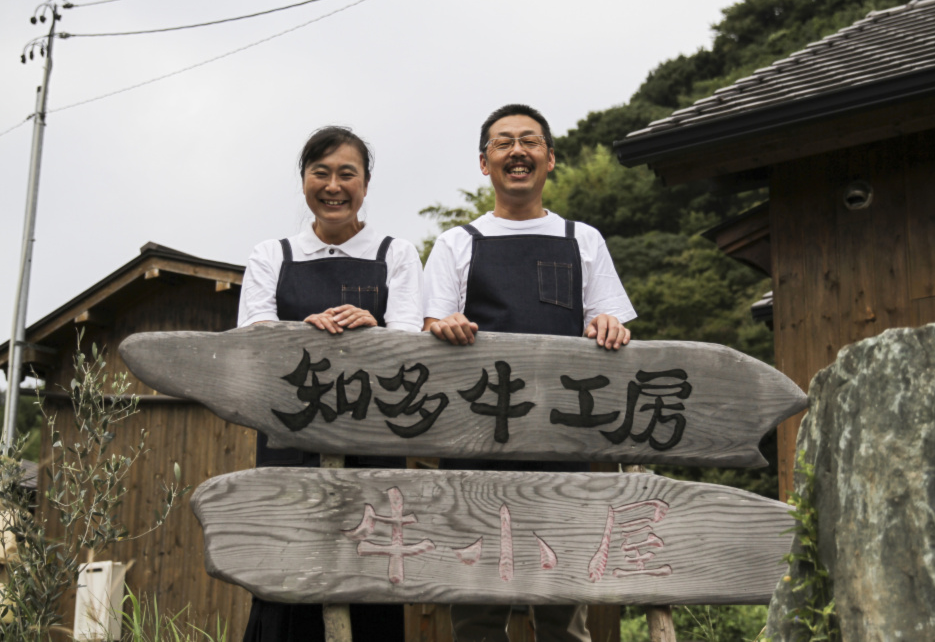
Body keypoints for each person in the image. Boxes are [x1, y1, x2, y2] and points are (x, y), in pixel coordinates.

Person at [422, 104, 636, 642]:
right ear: (483, 162)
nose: (518, 152)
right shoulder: (455, 243)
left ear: (550, 158)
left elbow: (608, 320)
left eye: (530, 141)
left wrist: (608, 324)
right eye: (503, 143)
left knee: (563, 604)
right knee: (477, 611)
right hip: (475, 446)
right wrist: (441, 326)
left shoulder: (582, 239)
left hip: (563, 443)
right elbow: (428, 326)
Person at [237, 126, 422, 642]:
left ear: (366, 184)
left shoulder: (397, 253)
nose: (334, 185)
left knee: (373, 570)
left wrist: (374, 326)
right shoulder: (271, 255)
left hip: (376, 440)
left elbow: (412, 339)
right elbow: (253, 334)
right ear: (303, 181)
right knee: (285, 572)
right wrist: (304, 331)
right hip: (289, 438)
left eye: (347, 173)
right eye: (321, 172)